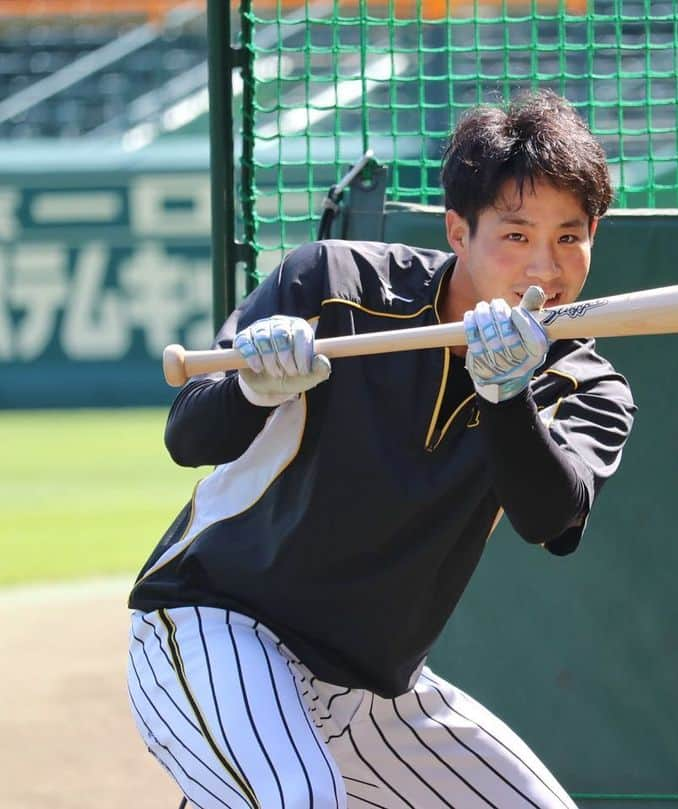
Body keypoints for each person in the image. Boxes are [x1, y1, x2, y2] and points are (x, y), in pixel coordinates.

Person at [126, 89, 635, 809]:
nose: (544, 269)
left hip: (376, 693)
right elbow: (187, 435)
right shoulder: (333, 284)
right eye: (516, 235)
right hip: (216, 627)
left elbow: (547, 517)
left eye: (571, 236)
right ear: (459, 231)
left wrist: (505, 395)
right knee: (297, 797)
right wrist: (254, 389)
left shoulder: (585, 381)